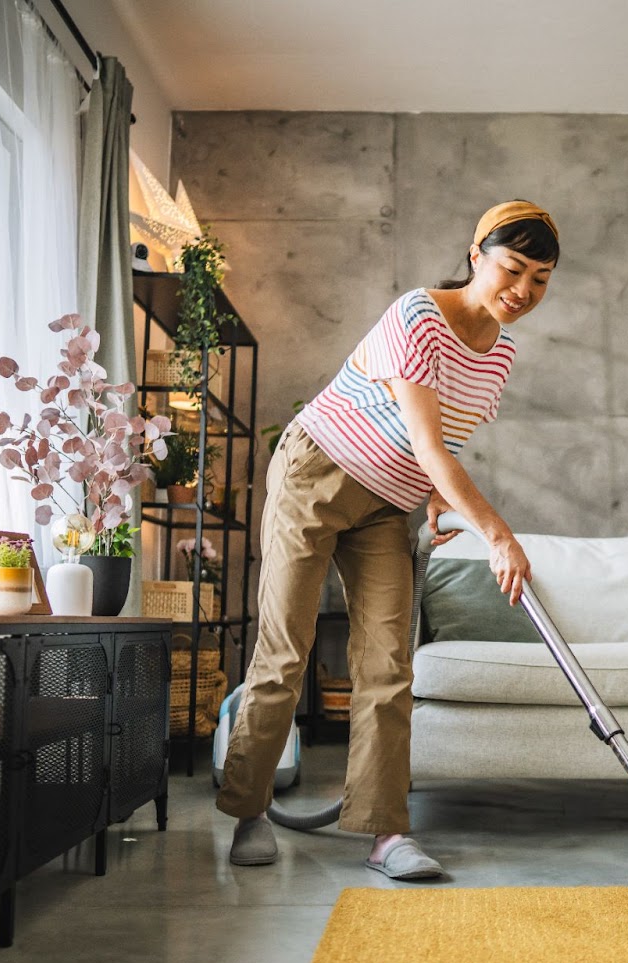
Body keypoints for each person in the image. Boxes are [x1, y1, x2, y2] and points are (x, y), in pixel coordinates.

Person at [215, 200, 560, 879]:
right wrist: (497, 533)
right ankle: (249, 812)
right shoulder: (417, 316)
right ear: (476, 257)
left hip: (386, 506)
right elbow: (429, 443)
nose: (524, 290)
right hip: (316, 473)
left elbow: (439, 437)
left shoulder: (502, 354)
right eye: (513, 269)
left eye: (541, 278)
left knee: (388, 663)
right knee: (287, 650)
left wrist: (434, 496)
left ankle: (384, 832)